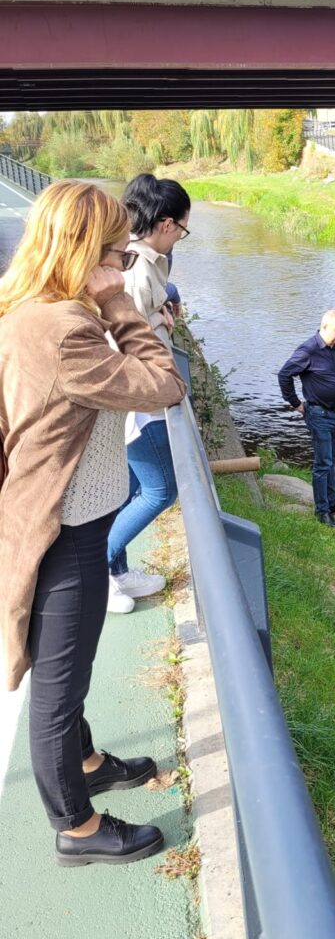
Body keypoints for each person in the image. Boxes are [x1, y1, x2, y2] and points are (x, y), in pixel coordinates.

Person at [0, 181, 187, 864]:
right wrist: (115, 302)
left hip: (51, 514)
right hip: (67, 526)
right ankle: (76, 828)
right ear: (87, 252)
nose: (125, 264)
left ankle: (82, 761)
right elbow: (164, 383)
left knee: (68, 668)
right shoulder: (66, 328)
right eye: (116, 252)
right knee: (60, 684)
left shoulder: (29, 306)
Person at [106, 174, 191, 613]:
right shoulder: (138, 270)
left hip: (143, 394)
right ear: (165, 224)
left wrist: (161, 313)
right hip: (143, 401)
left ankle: (118, 573)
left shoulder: (140, 263)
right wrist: (159, 322)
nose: (181, 237)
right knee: (161, 491)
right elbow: (125, 339)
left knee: (132, 488)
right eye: (182, 228)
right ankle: (100, 571)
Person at [278, 309, 335, 528]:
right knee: (322, 463)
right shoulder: (308, 350)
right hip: (319, 414)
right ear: (325, 327)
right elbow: (284, 375)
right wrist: (296, 404)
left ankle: (333, 501)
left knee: (332, 460)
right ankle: (322, 511)